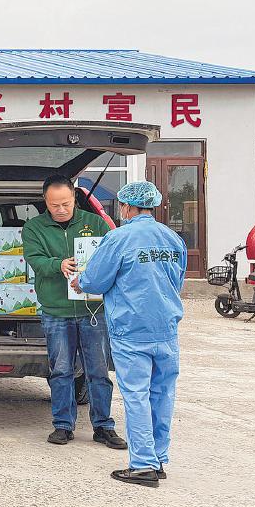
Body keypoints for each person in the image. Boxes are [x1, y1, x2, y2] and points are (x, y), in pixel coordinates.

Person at [74, 181, 187, 487]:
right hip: (166, 329)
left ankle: (142, 465)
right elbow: (177, 282)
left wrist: (79, 281)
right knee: (162, 394)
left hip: (131, 329)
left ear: (126, 207)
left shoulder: (118, 238)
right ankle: (158, 459)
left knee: (136, 395)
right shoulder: (173, 238)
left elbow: (95, 281)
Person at [22, 176, 127, 450]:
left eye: (66, 204)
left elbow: (111, 258)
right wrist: (57, 264)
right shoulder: (34, 228)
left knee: (98, 371)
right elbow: (35, 259)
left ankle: (103, 426)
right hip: (56, 310)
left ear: (75, 199)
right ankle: (63, 425)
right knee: (60, 370)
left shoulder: (95, 224)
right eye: (54, 205)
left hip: (93, 310)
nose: (60, 210)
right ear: (45, 202)